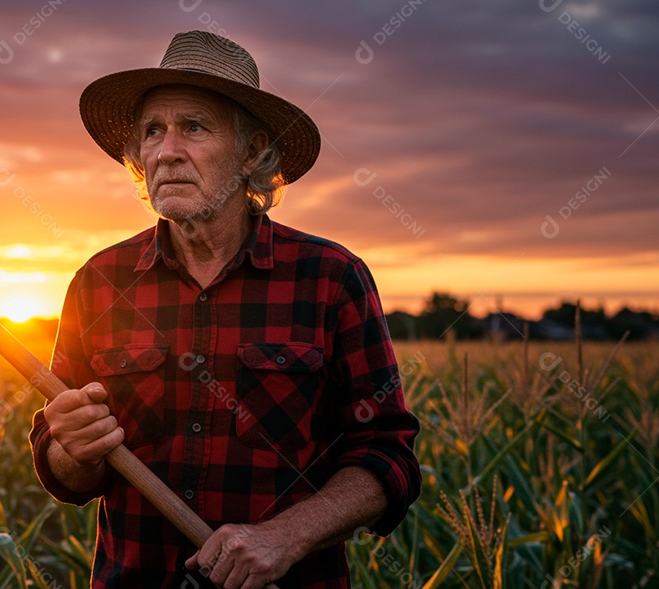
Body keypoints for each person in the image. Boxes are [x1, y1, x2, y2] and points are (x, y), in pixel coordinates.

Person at [29, 30, 420, 589]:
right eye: (152, 132)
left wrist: (286, 537)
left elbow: (388, 456)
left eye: (194, 126)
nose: (166, 151)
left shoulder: (330, 278)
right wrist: (73, 449)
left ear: (254, 151)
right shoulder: (99, 283)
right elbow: (66, 472)